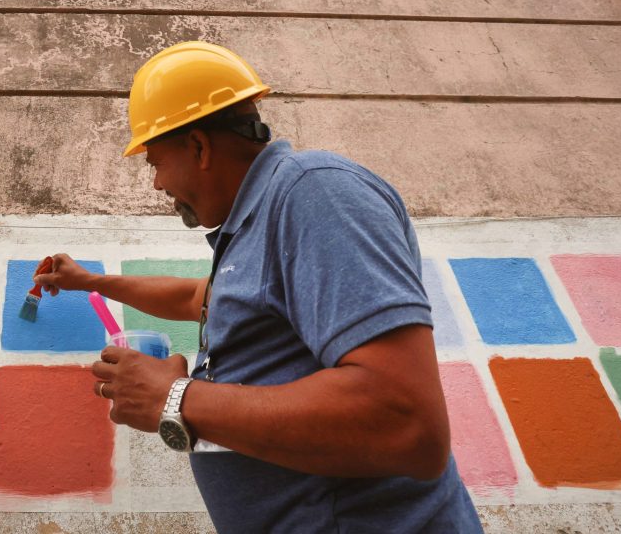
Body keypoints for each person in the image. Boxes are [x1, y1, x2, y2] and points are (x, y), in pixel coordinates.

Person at [34, 42, 482, 532]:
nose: (158, 185)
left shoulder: (313, 192)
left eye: (155, 164)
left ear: (199, 147)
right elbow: (192, 298)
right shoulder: (258, 222)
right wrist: (88, 281)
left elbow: (408, 423)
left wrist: (177, 398)